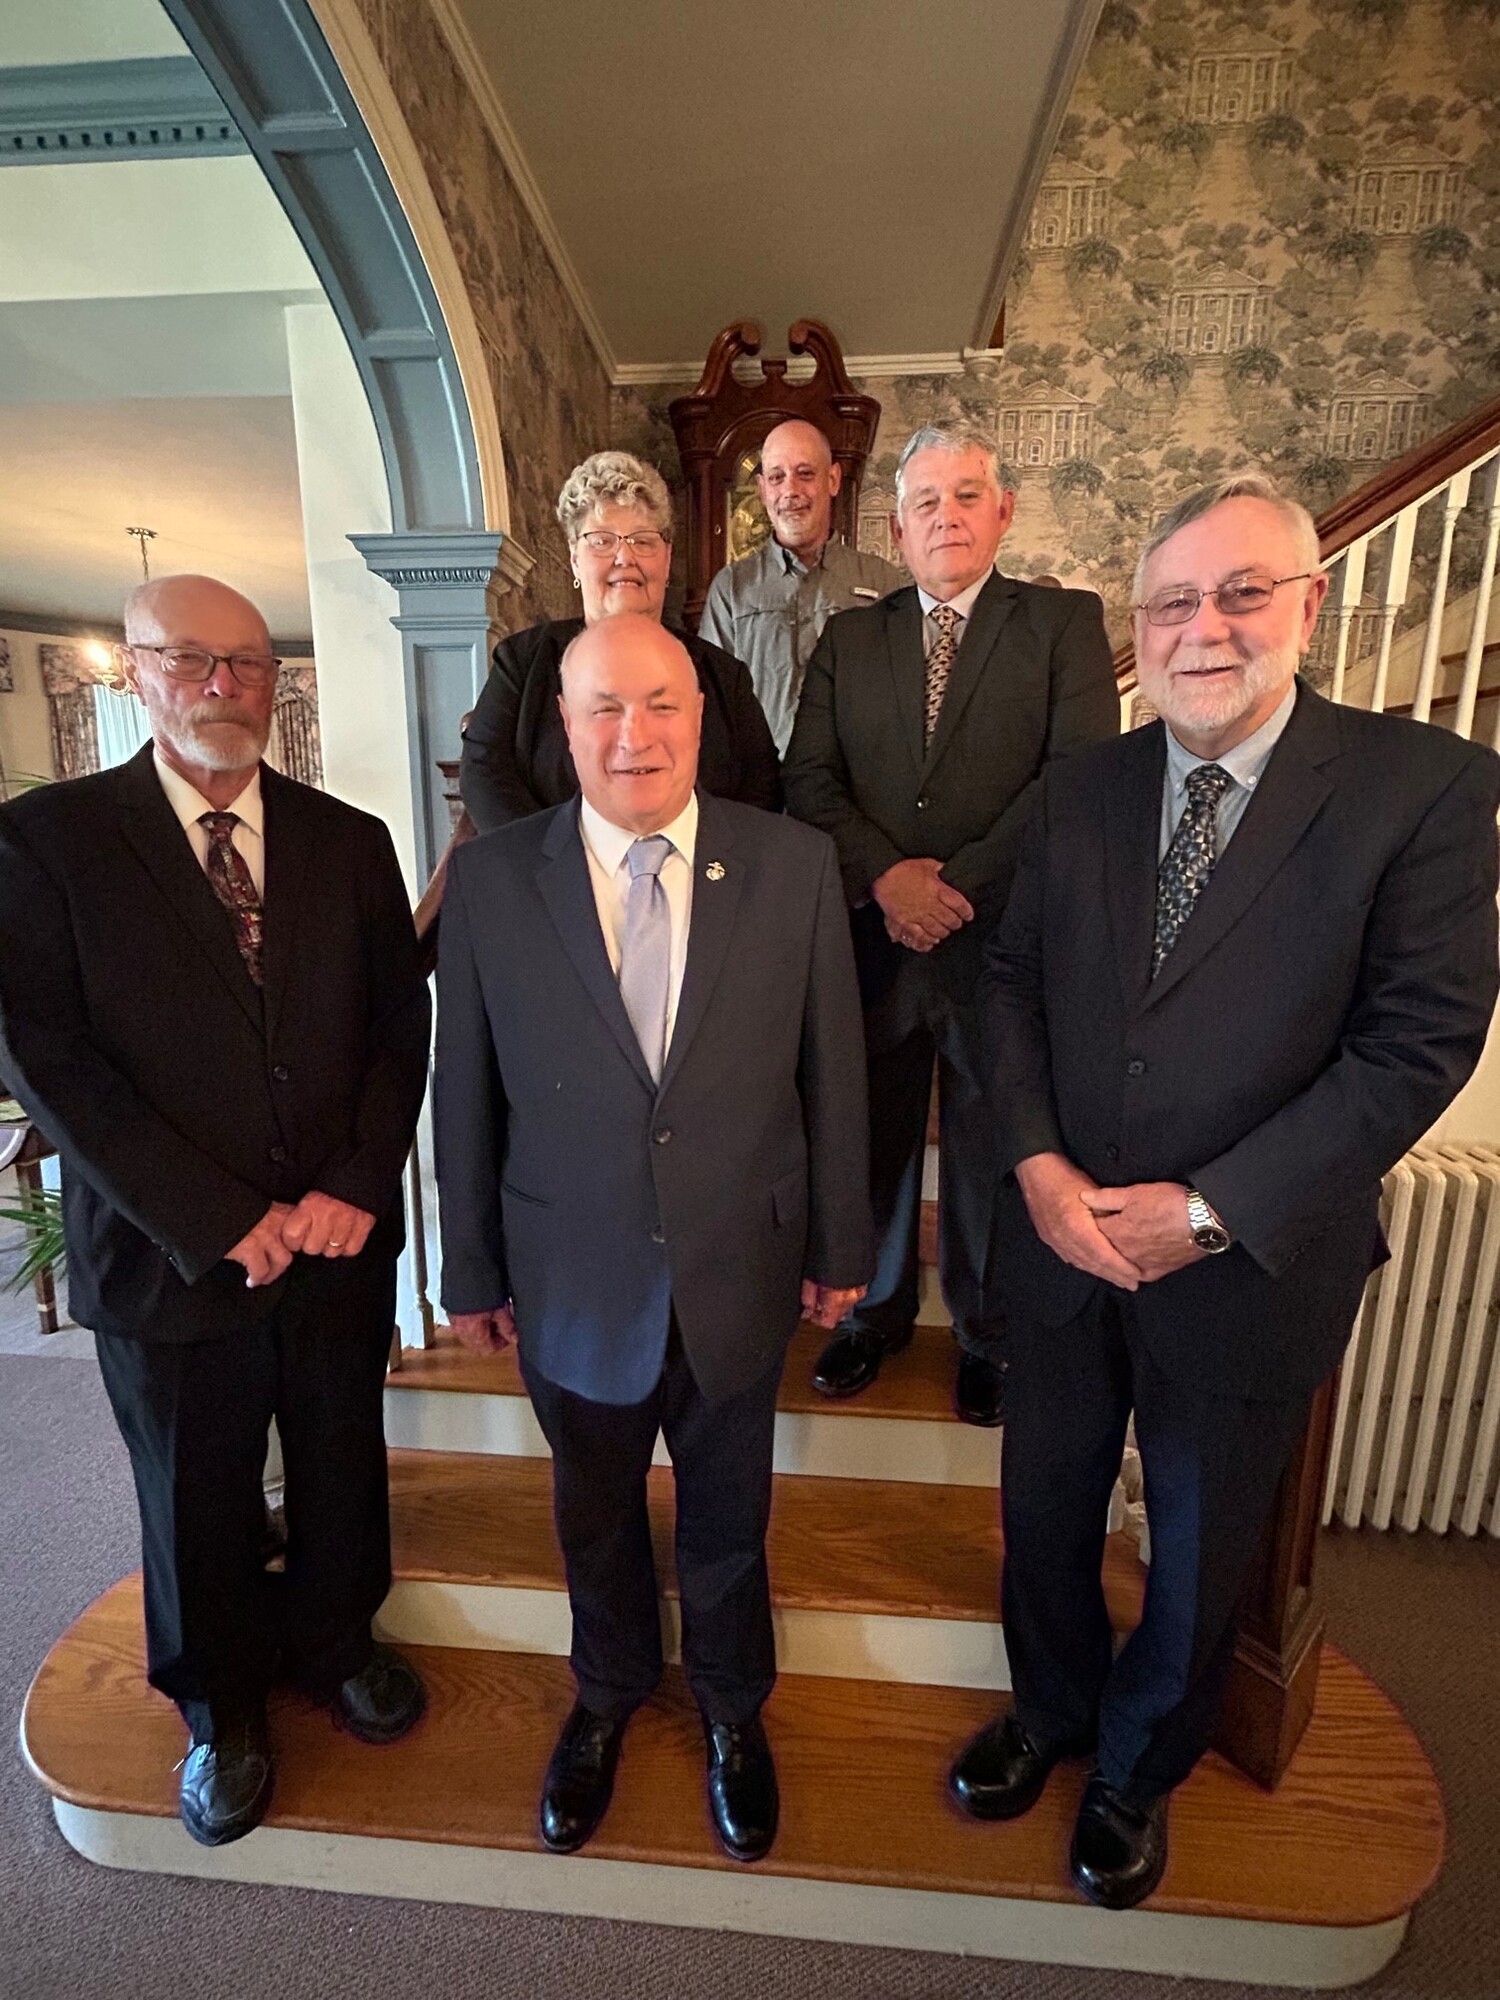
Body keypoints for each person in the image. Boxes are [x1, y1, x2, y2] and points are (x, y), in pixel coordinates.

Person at [951, 474, 1500, 1910]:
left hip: (1250, 1262)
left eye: (1243, 592)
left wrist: (1205, 1210)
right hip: (1061, 1243)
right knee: (1046, 1508)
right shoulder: (1079, 788)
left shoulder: (1423, 788)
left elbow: (1417, 1045)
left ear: (1308, 604)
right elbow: (1007, 985)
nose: (1206, 628)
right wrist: (1038, 1167)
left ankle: (1138, 1767)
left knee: (1198, 1548)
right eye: (1174, 602)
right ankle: (1051, 1711)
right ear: (1141, 625)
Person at [0, 575, 432, 1847]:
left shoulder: (348, 838)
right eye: (191, 658)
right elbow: (46, 1056)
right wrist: (215, 1214)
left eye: (247, 662)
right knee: (195, 1488)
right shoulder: (49, 842)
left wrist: (357, 1180)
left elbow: (397, 1025)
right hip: (168, 1253)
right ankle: (220, 1706)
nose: (223, 684)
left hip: (335, 1240)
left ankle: (340, 1641)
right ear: (137, 668)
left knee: (342, 1454)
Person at [435, 616, 871, 1863]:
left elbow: (834, 1071)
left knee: (729, 1510)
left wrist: (843, 1245)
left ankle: (733, 1706)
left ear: (702, 715)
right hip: (568, 1273)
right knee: (594, 1509)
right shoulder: (492, 878)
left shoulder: (791, 864)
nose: (637, 735)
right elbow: (464, 1087)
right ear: (565, 727)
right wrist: (469, 1265)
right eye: (605, 708)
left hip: (740, 1262)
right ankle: (608, 1689)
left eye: (662, 703)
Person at [783, 421, 1118, 1423]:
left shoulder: (1062, 625)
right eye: (925, 501)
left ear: (1003, 510)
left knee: (988, 1144)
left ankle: (985, 1332)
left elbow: (1076, 778)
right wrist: (890, 879)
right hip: (874, 940)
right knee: (871, 1136)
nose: (947, 516)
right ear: (897, 526)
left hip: (1001, 945)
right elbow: (809, 778)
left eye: (967, 495)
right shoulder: (850, 638)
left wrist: (955, 888)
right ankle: (870, 1314)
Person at [460, 450, 780, 829]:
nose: (624, 557)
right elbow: (485, 774)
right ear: (575, 558)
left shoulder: (725, 676)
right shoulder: (522, 663)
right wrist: (562, 857)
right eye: (601, 541)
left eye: (643, 541)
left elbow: (761, 790)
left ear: (667, 558)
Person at [698, 418, 903, 752]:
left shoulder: (881, 581)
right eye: (776, 477)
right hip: (761, 779)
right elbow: (712, 703)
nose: (790, 491)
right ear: (762, 489)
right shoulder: (731, 589)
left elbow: (902, 699)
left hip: (853, 776)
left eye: (805, 473)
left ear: (833, 480)